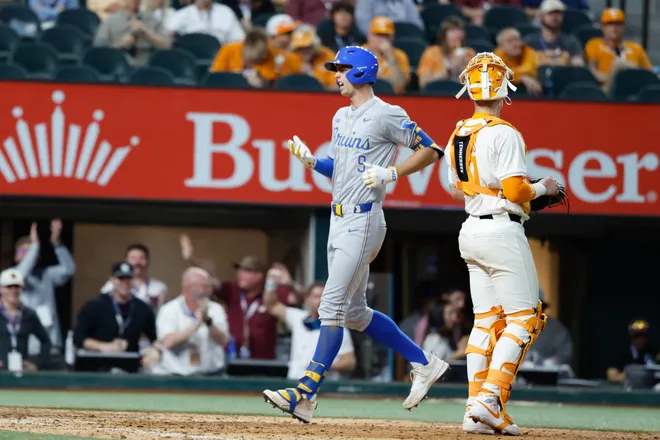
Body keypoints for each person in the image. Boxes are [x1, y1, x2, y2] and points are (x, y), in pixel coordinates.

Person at [262, 45, 448, 424]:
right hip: (338, 218)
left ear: (362, 71)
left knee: (330, 308)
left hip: (364, 220)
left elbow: (432, 150)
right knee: (356, 313)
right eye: (336, 68)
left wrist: (392, 173)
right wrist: (314, 162)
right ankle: (424, 362)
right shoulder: (340, 116)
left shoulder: (387, 114)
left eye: (342, 68)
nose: (336, 74)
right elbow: (343, 171)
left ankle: (305, 393)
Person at [446, 52, 560, 435]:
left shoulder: (458, 131)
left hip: (470, 228)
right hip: (500, 230)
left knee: (486, 321)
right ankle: (491, 399)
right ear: (503, 88)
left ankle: (473, 409)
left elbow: (454, 188)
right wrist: (544, 188)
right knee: (525, 318)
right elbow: (515, 189)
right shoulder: (505, 131)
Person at [264, 280, 356, 381]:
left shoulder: (337, 327)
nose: (320, 301)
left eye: (323, 297)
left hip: (322, 387)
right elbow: (272, 306)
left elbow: (349, 362)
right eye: (316, 297)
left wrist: (322, 367)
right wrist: (271, 282)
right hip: (294, 383)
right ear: (307, 299)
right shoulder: (298, 318)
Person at [74, 262, 157, 373]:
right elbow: (78, 338)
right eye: (120, 278)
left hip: (129, 370)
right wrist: (104, 347)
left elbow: (155, 338)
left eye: (128, 278)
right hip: (96, 368)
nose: (124, 282)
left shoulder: (142, 308)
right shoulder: (94, 306)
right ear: (112, 280)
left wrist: (155, 352)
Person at [152, 267, 230, 376]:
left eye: (209, 286)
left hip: (212, 375)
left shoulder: (215, 309)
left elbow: (223, 341)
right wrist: (195, 326)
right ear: (188, 286)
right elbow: (168, 342)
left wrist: (208, 321)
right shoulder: (169, 310)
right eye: (204, 286)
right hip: (177, 377)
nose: (209, 290)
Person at [0, 269, 51, 372]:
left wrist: (36, 364)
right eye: (9, 287)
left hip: (21, 371)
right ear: (1, 289)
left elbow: (46, 342)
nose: (13, 291)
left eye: (17, 287)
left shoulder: (29, 315)